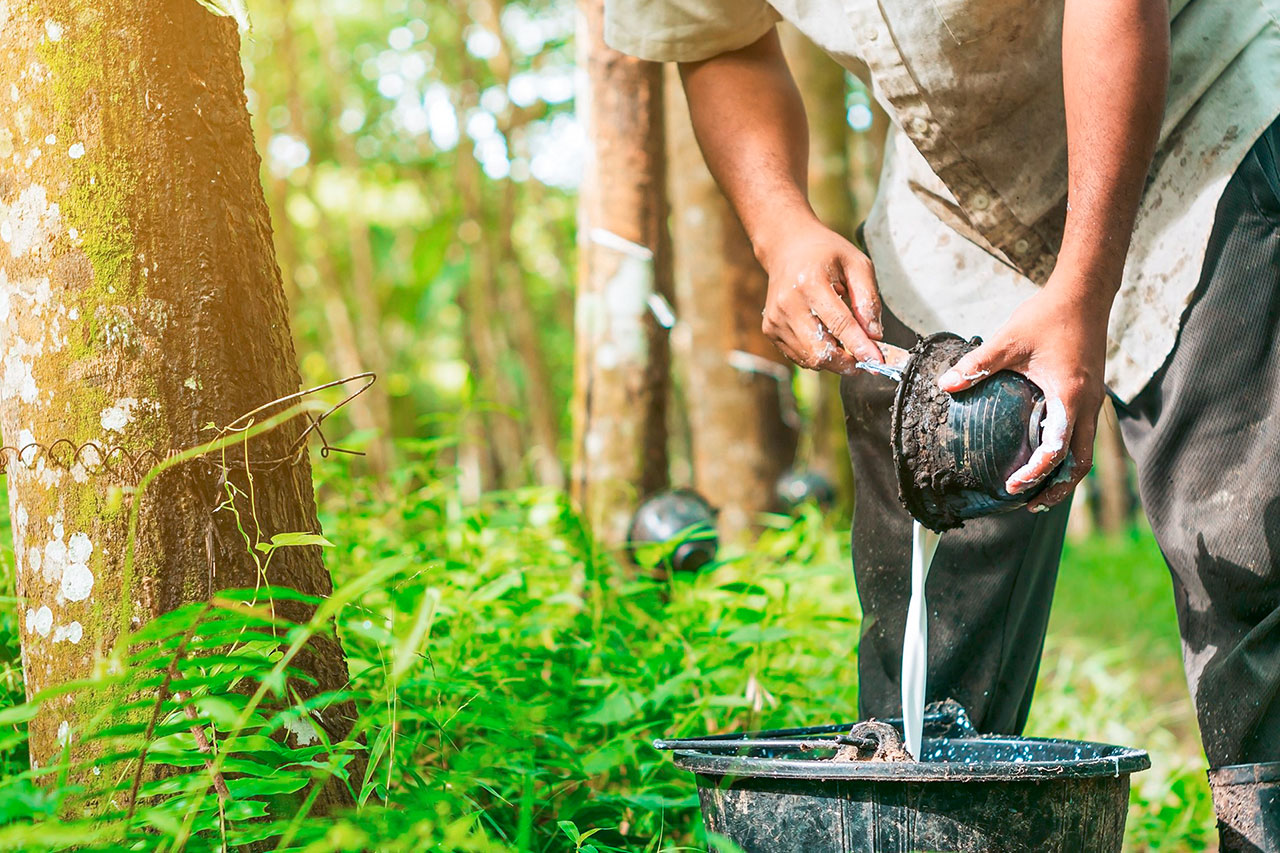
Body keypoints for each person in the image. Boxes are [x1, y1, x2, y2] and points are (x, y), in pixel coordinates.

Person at [604, 0, 1280, 847]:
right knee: (928, 643)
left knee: (1246, 543)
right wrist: (781, 228)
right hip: (957, 188)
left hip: (1195, 107)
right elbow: (718, 37)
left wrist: (1082, 288)